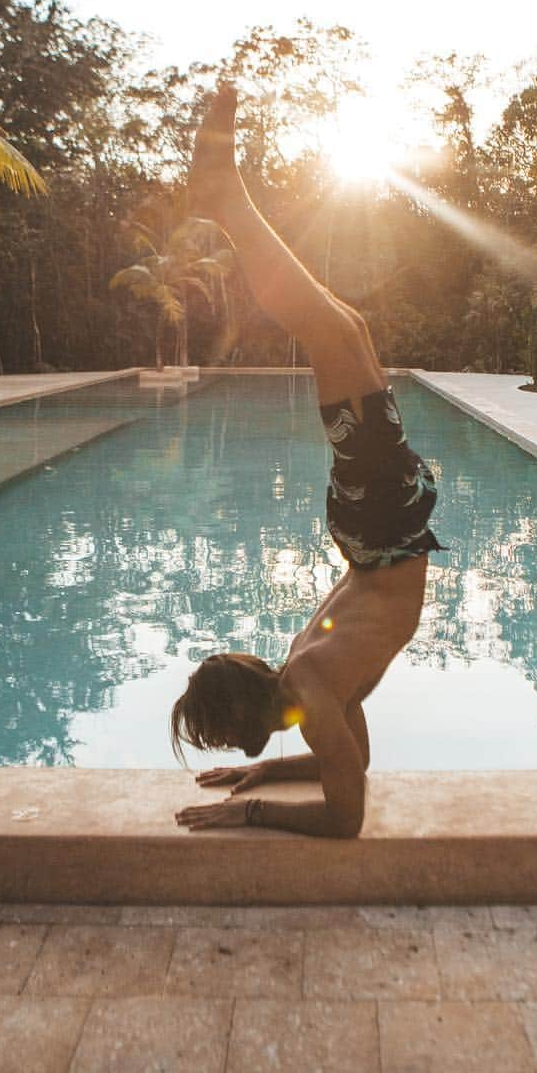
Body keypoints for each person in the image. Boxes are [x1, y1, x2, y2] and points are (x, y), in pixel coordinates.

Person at [172, 84, 444, 838]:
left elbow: (343, 793)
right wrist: (265, 777)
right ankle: (227, 199)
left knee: (329, 326)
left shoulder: (314, 685)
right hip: (373, 531)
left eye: (238, 743)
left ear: (252, 720)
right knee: (342, 326)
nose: (234, 749)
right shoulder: (313, 683)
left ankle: (226, 201)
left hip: (380, 528)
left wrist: (255, 803)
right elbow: (348, 780)